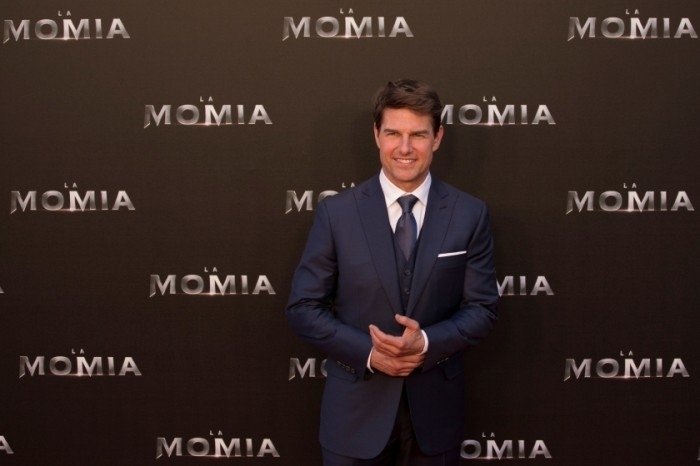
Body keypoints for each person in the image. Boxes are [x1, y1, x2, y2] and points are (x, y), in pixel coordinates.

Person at [286, 79, 498, 465]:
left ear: (437, 138)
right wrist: (370, 353)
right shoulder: (337, 214)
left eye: (418, 135)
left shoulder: (469, 214)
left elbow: (482, 309)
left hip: (435, 420)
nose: (404, 148)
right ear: (376, 135)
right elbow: (303, 308)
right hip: (353, 419)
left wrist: (427, 343)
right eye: (393, 133)